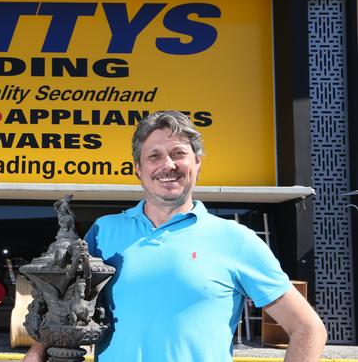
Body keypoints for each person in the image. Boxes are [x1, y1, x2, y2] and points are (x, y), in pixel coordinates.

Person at [23, 110, 326, 361]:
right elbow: (62, 305)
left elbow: (307, 328)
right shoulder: (104, 231)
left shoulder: (237, 240)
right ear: (138, 170)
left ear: (197, 164)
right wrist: (38, 351)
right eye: (154, 156)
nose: (167, 165)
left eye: (179, 153)